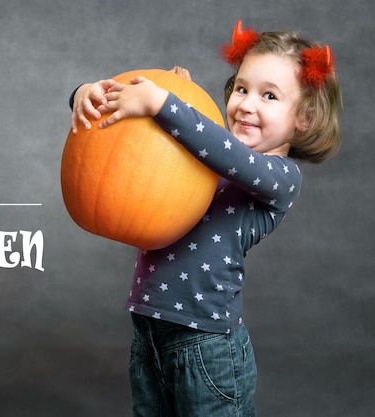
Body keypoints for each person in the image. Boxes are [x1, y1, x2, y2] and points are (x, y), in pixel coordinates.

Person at [69, 20, 341, 417]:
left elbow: (228, 155)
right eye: (242, 88)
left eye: (269, 95)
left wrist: (165, 103)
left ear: (305, 119)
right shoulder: (209, 150)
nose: (247, 103)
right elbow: (154, 144)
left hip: (207, 348)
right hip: (148, 334)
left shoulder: (281, 178)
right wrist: (83, 93)